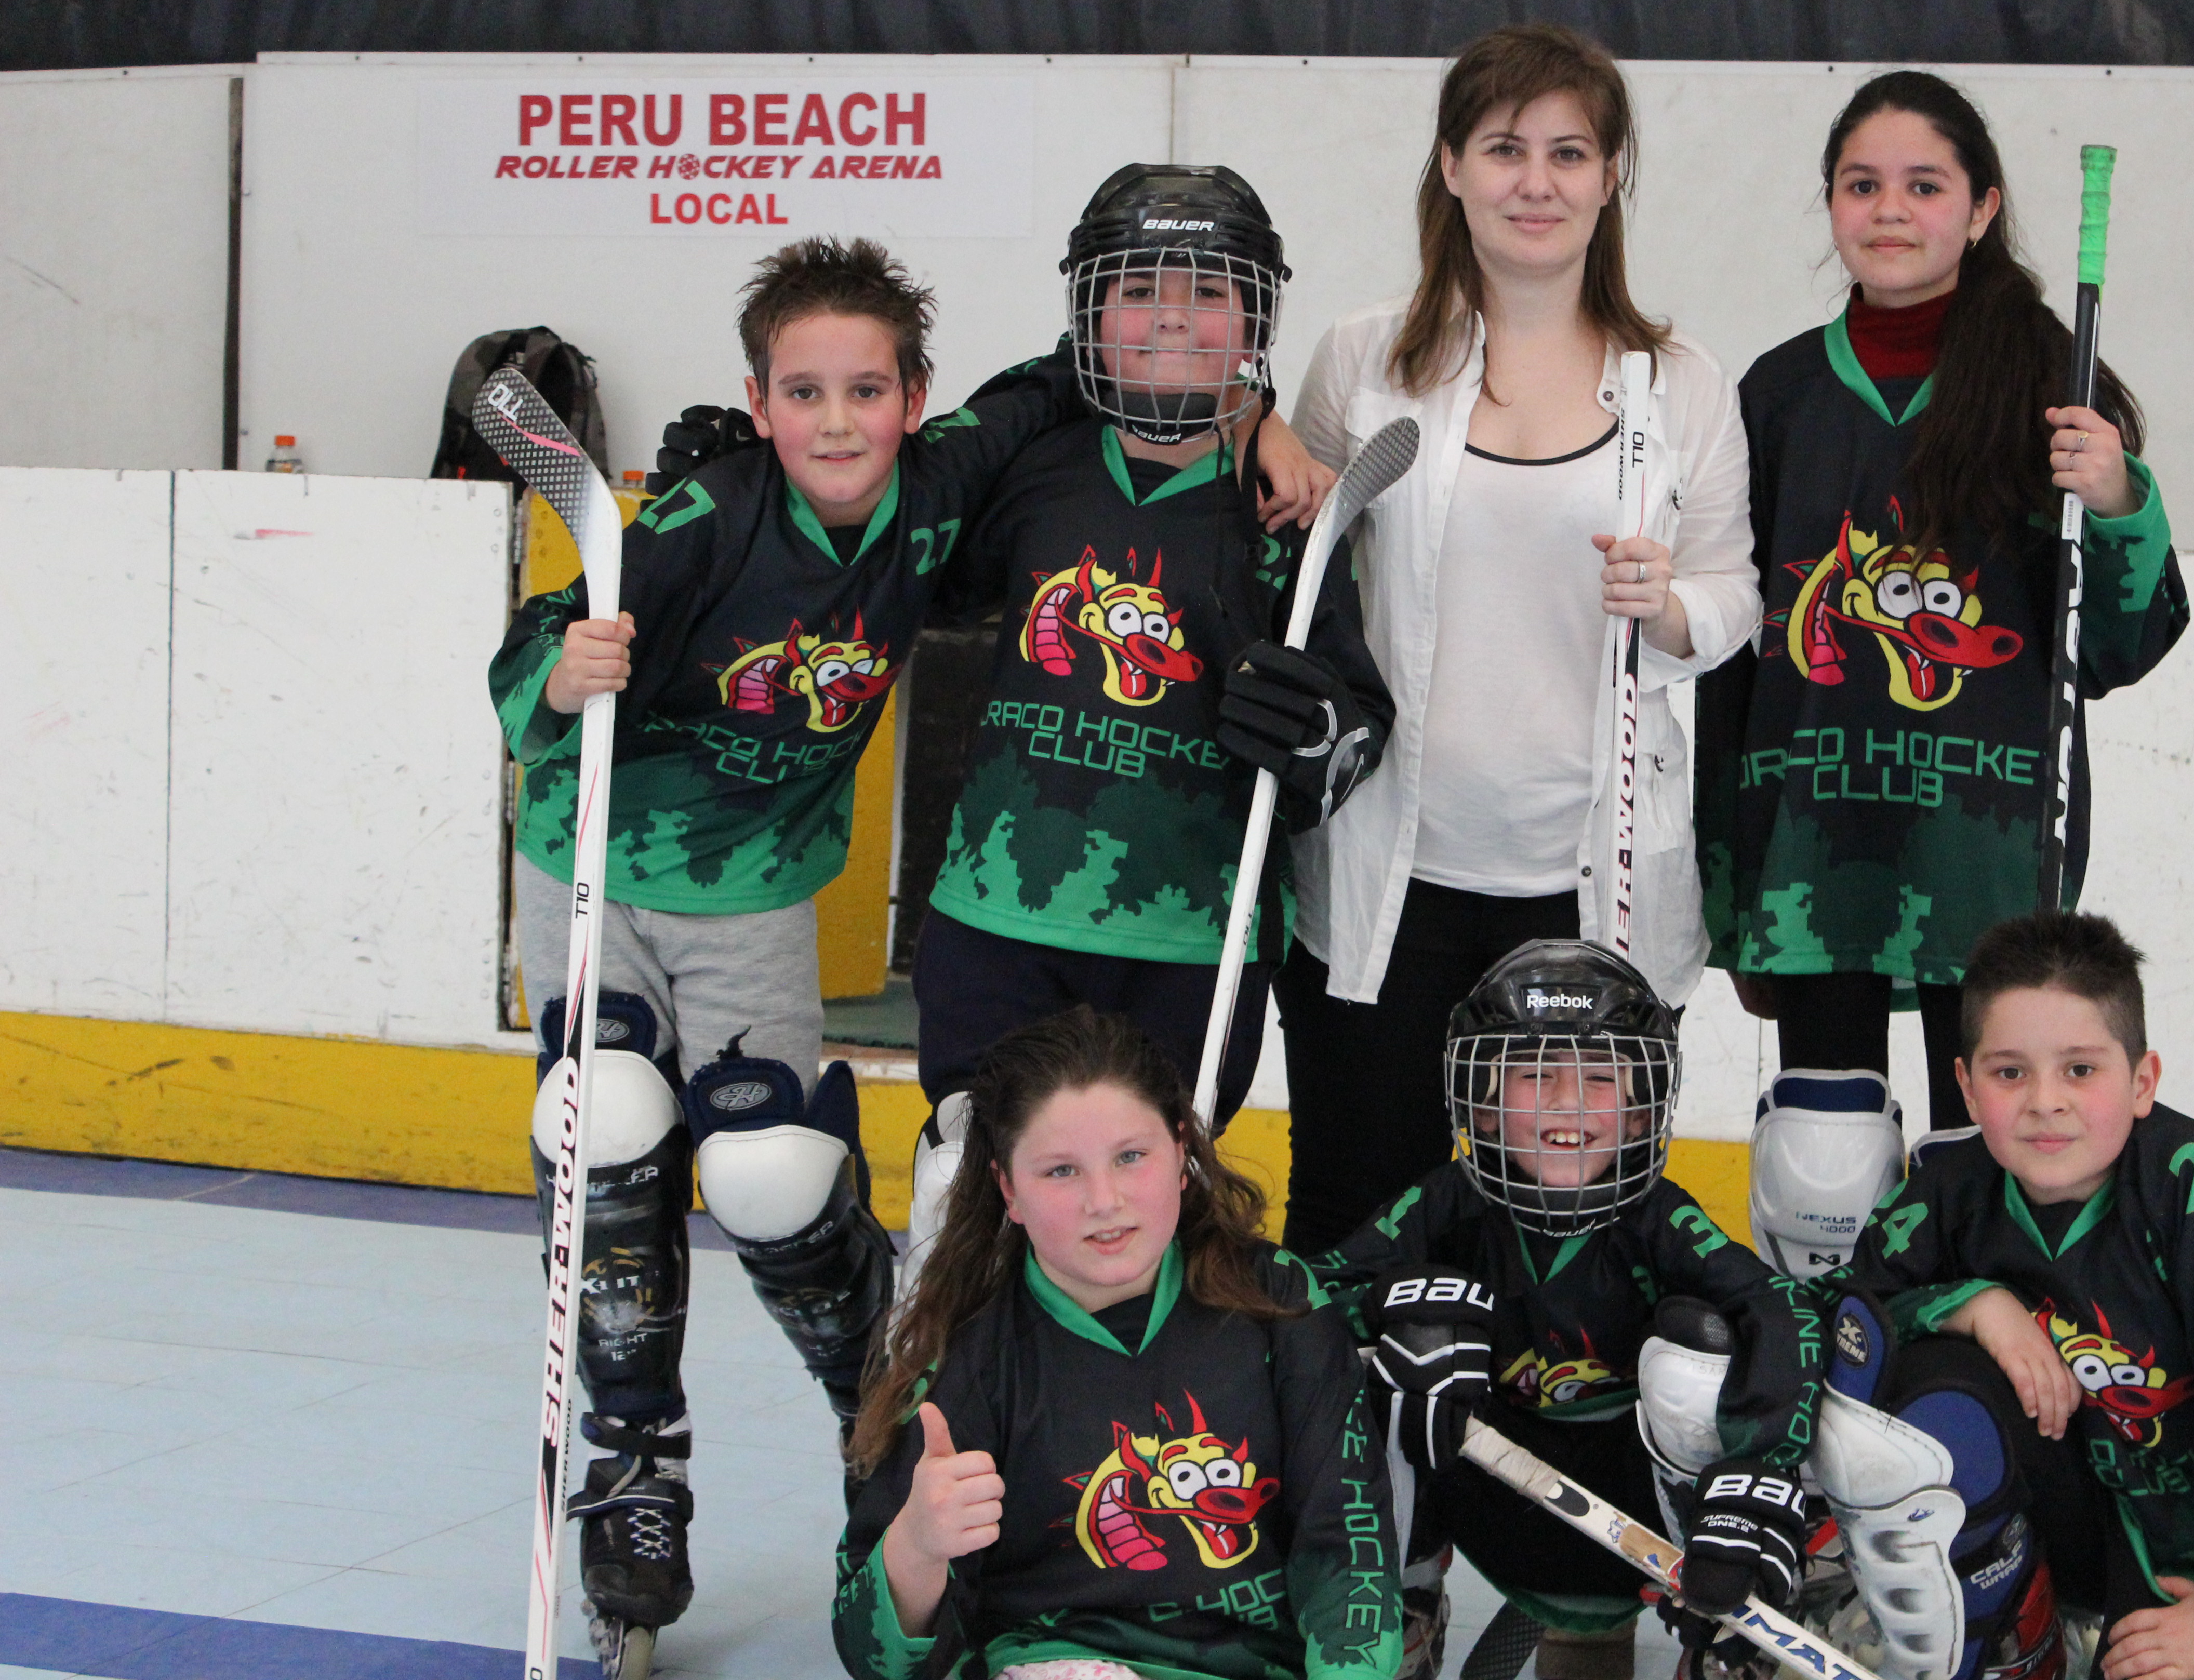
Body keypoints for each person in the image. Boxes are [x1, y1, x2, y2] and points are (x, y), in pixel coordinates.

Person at [488, 234, 1323, 1666]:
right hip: (590, 864)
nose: (835, 422)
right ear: (758, 401)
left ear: (915, 400)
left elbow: (1103, 361)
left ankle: (877, 1386)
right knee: (603, 1124)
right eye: (802, 393)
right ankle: (636, 1480)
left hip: (756, 890)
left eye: (866, 392)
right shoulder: (702, 515)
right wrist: (561, 675)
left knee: (770, 1173)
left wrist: (1265, 419)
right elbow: (536, 647)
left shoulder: (943, 487)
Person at [1281, 23, 1760, 1255]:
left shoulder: (1684, 383)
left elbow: (1734, 598)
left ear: (1611, 176)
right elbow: (1298, 553)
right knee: (1352, 1218)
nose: (1535, 182)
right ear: (1451, 167)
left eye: (1568, 152)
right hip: (1387, 879)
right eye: (1504, 149)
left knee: (1572, 1236)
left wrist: (1670, 608)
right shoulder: (1366, 358)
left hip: (1590, 883)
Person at [901, 164, 1393, 1286]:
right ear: (1087, 313)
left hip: (1190, 940)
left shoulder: (1291, 512)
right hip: (1000, 919)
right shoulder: (1034, 460)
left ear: (1256, 321)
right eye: (1138, 289)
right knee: (963, 1192)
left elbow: (1358, 721)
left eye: (1208, 291)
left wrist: (1319, 739)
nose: (1172, 315)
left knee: (1148, 1218)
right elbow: (901, 567)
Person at [1697, 71, 2189, 1186]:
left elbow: (2115, 649)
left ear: (1981, 208)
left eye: (1924, 186)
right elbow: (1733, 653)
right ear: (1831, 204)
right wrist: (1731, 883)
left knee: (1990, 1155)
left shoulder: (2051, 386)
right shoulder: (1774, 396)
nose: (1890, 210)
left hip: (1985, 849)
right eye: (1862, 184)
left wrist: (2118, 499)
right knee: (1821, 1166)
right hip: (1814, 846)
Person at [1805, 912, 2194, 1680]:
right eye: (2009, 1073)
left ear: (2143, 1082)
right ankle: (2022, 1633)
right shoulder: (1951, 1192)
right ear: (1965, 1087)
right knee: (1928, 1375)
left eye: (2081, 1071)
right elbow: (1839, 1310)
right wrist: (1972, 1307)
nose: (2045, 1101)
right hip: (2102, 1526)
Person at [833, 1006, 1398, 1680]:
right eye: (1061, 1172)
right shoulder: (969, 1351)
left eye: (1131, 1157)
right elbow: (873, 1659)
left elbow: (1348, 1550)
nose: (1104, 1200)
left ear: (1182, 1153)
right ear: (1008, 1189)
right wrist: (917, 1548)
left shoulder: (1279, 1302)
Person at [1310, 941, 1823, 1680]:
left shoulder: (1660, 1219)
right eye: (1534, 1073)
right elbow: (1309, 1298)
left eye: (1601, 1077)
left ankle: (1723, 1626)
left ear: (1643, 1110)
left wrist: (1756, 1474)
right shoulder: (1445, 1206)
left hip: (1649, 1523)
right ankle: (1399, 1600)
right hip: (1489, 1504)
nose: (1566, 1102)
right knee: (1397, 1339)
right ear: (1480, 1103)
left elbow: (1782, 1311)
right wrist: (1389, 1313)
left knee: (1702, 1344)